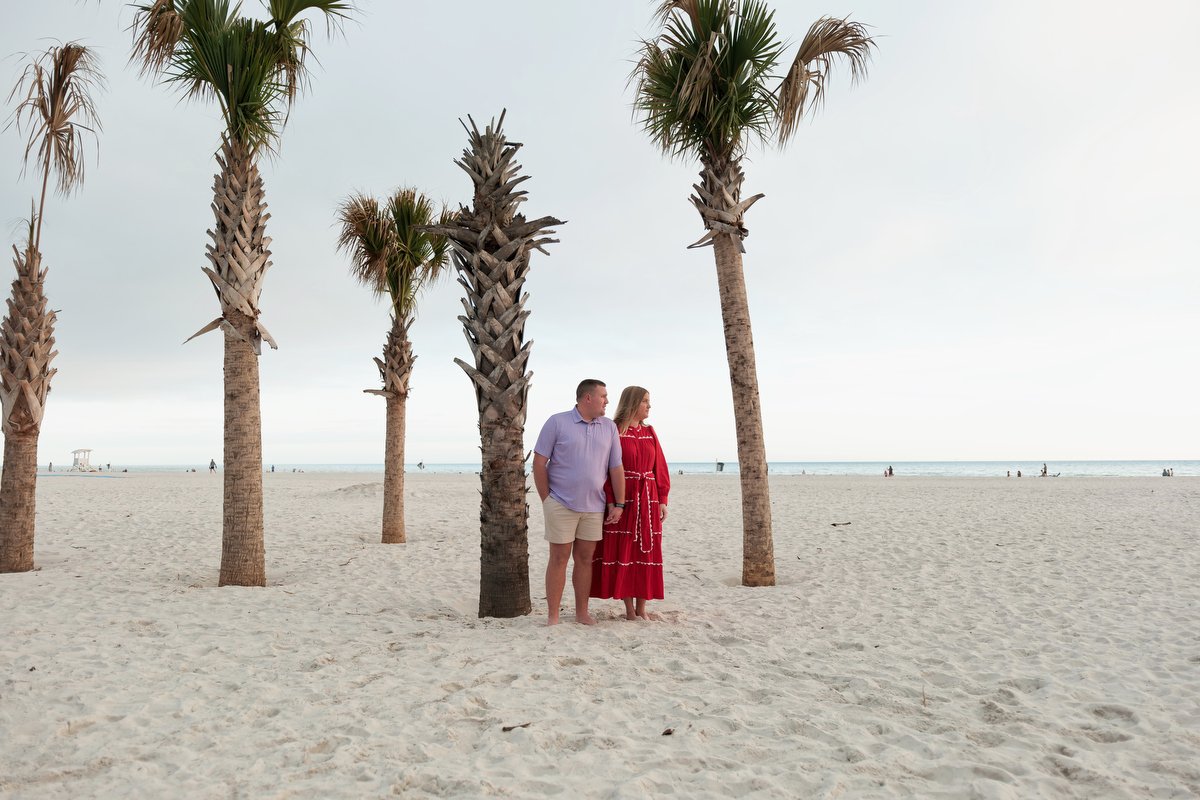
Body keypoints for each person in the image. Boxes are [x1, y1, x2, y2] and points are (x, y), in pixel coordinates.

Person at [533, 379, 625, 626]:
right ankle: (553, 616)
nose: (607, 401)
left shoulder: (609, 427)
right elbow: (539, 462)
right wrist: (546, 499)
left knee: (585, 559)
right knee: (559, 558)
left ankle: (582, 613)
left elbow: (616, 467)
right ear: (588, 398)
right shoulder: (557, 422)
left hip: (594, 506)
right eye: (603, 396)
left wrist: (620, 503)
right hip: (560, 502)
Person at [591, 386, 670, 621]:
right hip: (622, 498)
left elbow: (659, 467)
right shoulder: (614, 431)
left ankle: (642, 608)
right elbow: (604, 469)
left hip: (648, 498)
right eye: (645, 401)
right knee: (624, 549)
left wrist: (662, 499)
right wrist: (612, 500)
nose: (649, 405)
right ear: (633, 403)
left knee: (647, 550)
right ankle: (629, 610)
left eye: (649, 401)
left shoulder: (649, 432)